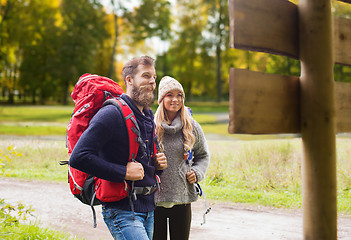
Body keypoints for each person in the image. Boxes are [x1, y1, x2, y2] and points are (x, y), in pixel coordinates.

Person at [69, 56, 167, 240]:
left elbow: (140, 163)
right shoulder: (111, 113)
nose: (153, 82)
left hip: (148, 209)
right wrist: (123, 172)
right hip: (122, 211)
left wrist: (157, 165)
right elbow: (79, 157)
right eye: (146, 76)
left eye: (154, 76)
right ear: (129, 80)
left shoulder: (146, 114)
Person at [153, 76, 210, 240]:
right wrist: (154, 163)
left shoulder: (192, 126)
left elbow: (203, 155)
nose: (175, 99)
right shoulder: (151, 127)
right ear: (161, 99)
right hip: (155, 199)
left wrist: (197, 172)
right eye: (169, 95)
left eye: (179, 95)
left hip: (182, 198)